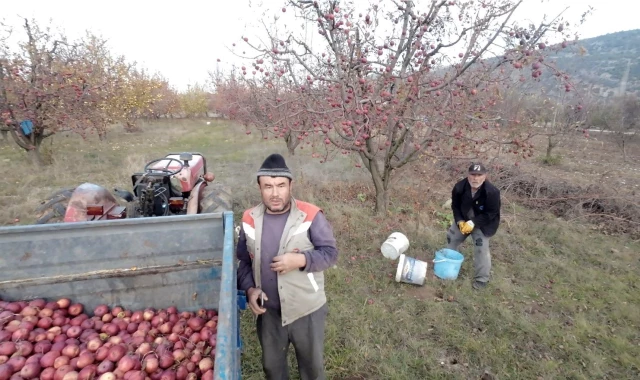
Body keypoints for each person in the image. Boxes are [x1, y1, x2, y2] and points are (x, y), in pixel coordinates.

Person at [236, 153, 339, 380]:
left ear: (291, 185)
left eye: (281, 185)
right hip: (269, 311)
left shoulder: (310, 215)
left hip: (306, 309)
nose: (275, 193)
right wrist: (251, 290)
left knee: (312, 370)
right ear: (259, 188)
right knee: (273, 369)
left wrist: (300, 260)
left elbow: (330, 254)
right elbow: (243, 261)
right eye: (268, 186)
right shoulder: (248, 219)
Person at [446, 163, 501, 290]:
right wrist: (459, 221)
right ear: (468, 175)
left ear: (485, 176)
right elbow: (455, 206)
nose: (475, 178)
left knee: (481, 248)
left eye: (479, 175)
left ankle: (481, 279)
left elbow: (491, 213)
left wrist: (474, 223)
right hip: (464, 219)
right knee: (451, 238)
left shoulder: (492, 192)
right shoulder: (459, 187)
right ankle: (450, 267)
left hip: (483, 224)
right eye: (472, 175)